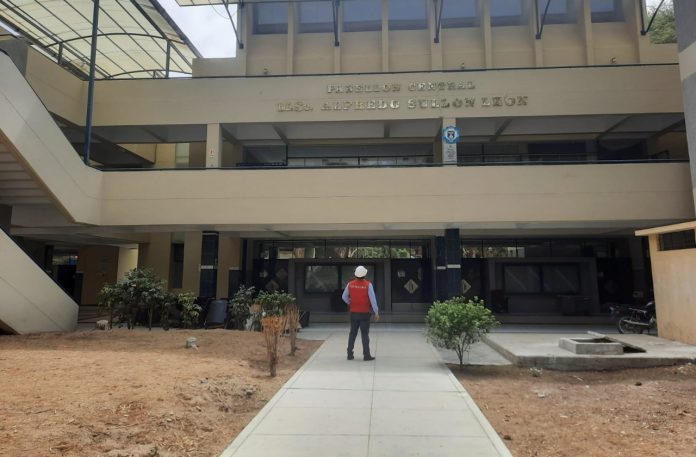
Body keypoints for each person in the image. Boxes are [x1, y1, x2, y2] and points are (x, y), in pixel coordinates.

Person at [342, 265, 380, 361]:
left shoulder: (350, 284)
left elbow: (344, 296)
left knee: (352, 333)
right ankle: (366, 355)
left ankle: (349, 354)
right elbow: (373, 300)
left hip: (353, 313)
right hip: (364, 314)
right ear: (364, 274)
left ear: (355, 274)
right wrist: (376, 312)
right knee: (365, 335)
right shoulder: (368, 285)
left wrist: (350, 303)